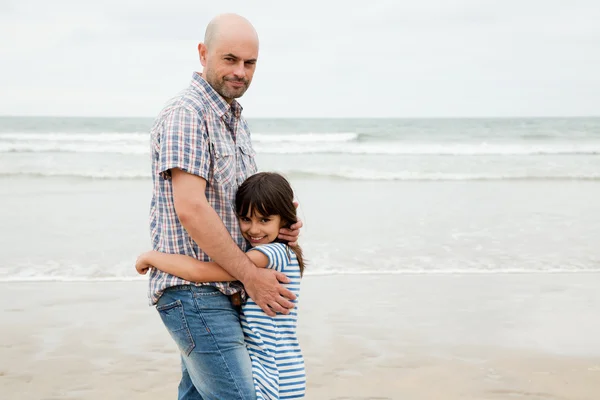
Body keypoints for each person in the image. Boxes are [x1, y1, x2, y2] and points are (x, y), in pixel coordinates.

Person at [147, 13, 301, 399]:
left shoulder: (234, 119)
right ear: (203, 54)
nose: (240, 72)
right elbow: (191, 209)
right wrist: (251, 275)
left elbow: (244, 205)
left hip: (227, 291)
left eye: (249, 63)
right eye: (229, 59)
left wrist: (280, 225)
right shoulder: (188, 114)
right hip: (194, 293)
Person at [138, 172, 306, 399]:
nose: (254, 230)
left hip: (272, 372)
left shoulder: (268, 254)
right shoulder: (281, 252)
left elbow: (199, 272)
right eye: (246, 219)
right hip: (284, 366)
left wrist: (151, 257)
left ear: (285, 219)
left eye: (264, 220)